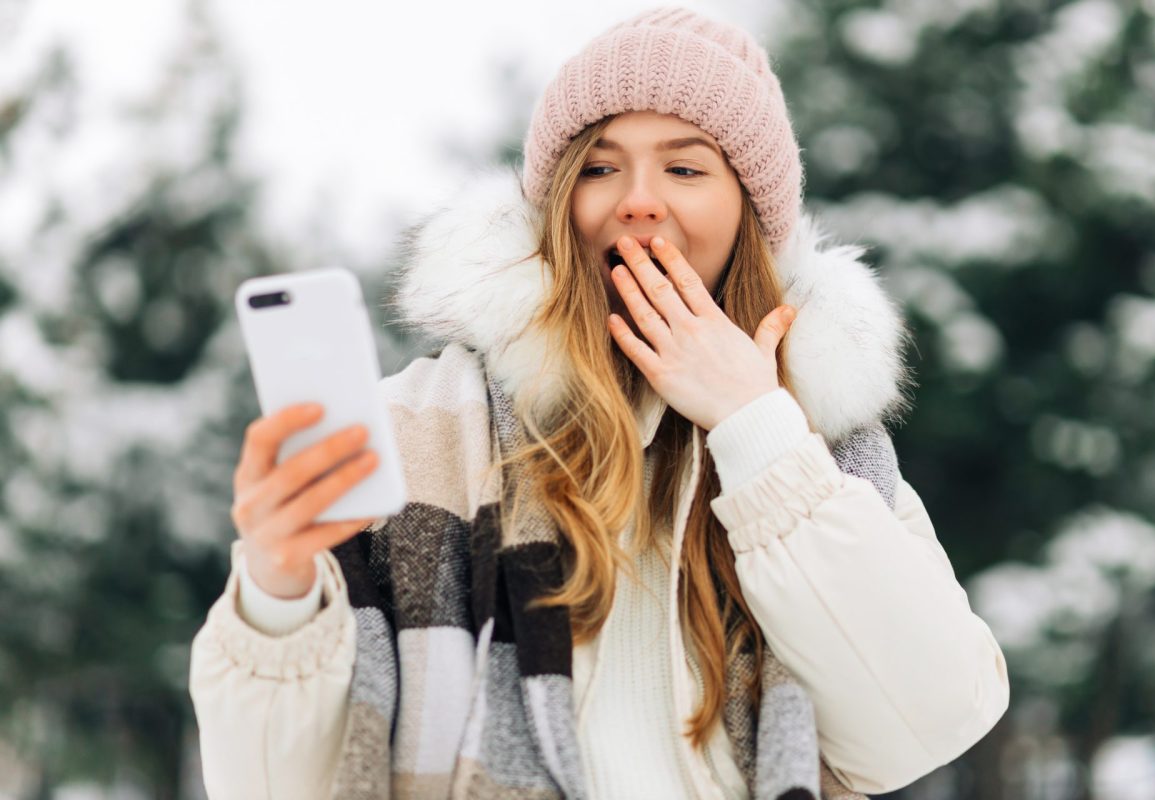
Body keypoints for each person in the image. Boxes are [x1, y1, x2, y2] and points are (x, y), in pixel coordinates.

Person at [188, 7, 1010, 800]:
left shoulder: (817, 443)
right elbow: (273, 785)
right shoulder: (416, 429)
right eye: (599, 166)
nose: (637, 200)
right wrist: (277, 589)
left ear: (752, 219)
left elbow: (924, 729)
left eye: (686, 168)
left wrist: (757, 432)